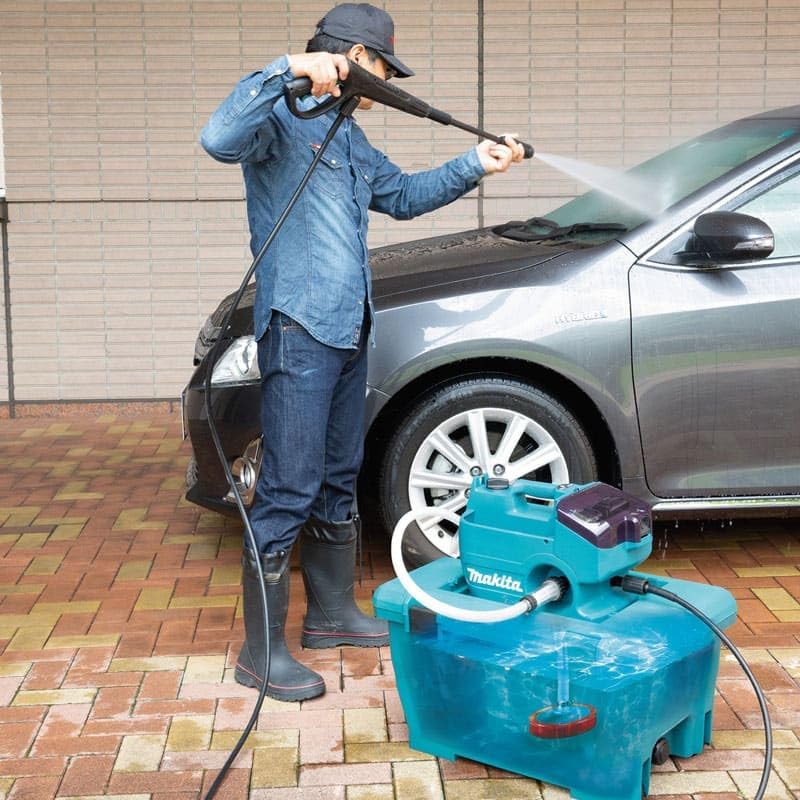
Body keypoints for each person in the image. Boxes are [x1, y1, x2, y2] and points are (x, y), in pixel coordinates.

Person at [200, 2, 525, 702]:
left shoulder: (350, 140)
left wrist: (476, 162)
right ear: (349, 59)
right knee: (288, 485)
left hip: (350, 330)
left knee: (338, 476)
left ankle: (332, 615)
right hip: (300, 329)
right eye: (380, 68)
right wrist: (288, 68)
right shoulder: (278, 121)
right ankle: (261, 655)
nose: (385, 83)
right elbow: (217, 137)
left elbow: (405, 196)